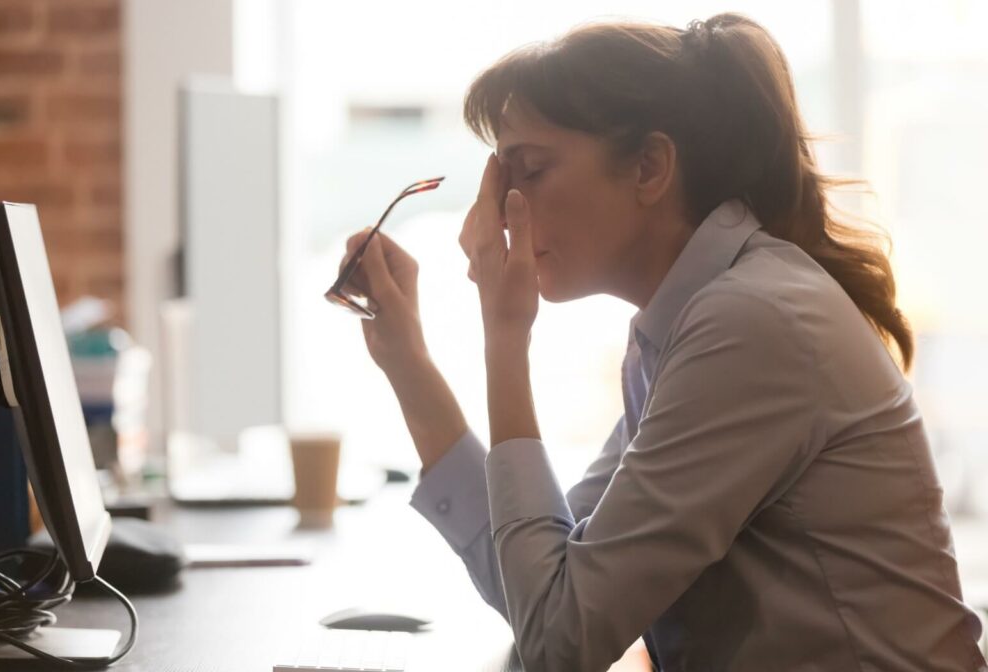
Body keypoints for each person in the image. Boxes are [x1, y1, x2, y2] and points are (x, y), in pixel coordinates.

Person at [336, 13, 987, 672]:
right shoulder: (688, 322)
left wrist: (505, 339)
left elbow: (562, 641)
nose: (501, 208)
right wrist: (407, 361)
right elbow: (537, 581)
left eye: (527, 171)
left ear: (649, 167)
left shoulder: (750, 324)